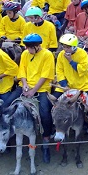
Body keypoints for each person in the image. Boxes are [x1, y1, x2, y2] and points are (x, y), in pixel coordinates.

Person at [18, 33, 55, 163]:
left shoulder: (47, 55)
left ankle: (46, 142)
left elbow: (45, 75)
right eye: (27, 47)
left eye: (30, 47)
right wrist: (24, 85)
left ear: (37, 46)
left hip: (42, 88)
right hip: (26, 87)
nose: (28, 50)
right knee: (7, 106)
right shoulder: (24, 54)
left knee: (45, 114)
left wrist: (33, 91)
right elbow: (21, 70)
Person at [56, 34, 88, 143]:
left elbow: (82, 71)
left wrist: (70, 61)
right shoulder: (61, 55)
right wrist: (63, 84)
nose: (65, 49)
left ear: (74, 46)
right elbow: (59, 71)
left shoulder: (83, 54)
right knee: (53, 105)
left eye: (68, 47)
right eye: (64, 46)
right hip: (66, 87)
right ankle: (57, 127)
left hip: (83, 86)